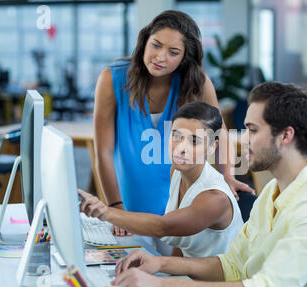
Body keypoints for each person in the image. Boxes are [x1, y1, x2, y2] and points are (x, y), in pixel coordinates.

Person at [109, 81, 307, 287]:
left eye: (253, 130)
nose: (243, 139)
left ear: (285, 136)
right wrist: (159, 263)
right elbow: (232, 265)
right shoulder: (272, 191)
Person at [93, 10, 254, 242]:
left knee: (175, 269)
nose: (160, 57)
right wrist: (116, 208)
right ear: (144, 42)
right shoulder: (112, 80)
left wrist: (227, 175)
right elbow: (103, 153)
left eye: (173, 52)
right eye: (156, 45)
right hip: (129, 209)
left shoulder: (198, 83)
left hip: (182, 210)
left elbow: (221, 132)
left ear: (184, 57)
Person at [79, 102, 244, 258]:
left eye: (194, 141)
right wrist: (170, 275)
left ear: (212, 147)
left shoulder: (214, 198)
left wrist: (106, 212)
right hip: (190, 275)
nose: (181, 149)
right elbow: (182, 239)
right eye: (176, 136)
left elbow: (163, 227)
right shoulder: (177, 172)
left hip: (219, 284)